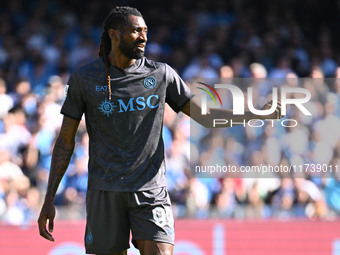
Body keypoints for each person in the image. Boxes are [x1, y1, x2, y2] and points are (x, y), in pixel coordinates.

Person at [37, 6, 281, 255]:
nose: (143, 37)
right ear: (113, 34)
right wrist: (49, 200)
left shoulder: (161, 73)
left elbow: (205, 117)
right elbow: (66, 141)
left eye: (145, 31)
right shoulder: (85, 78)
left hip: (151, 191)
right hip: (105, 191)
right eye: (135, 31)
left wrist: (254, 114)